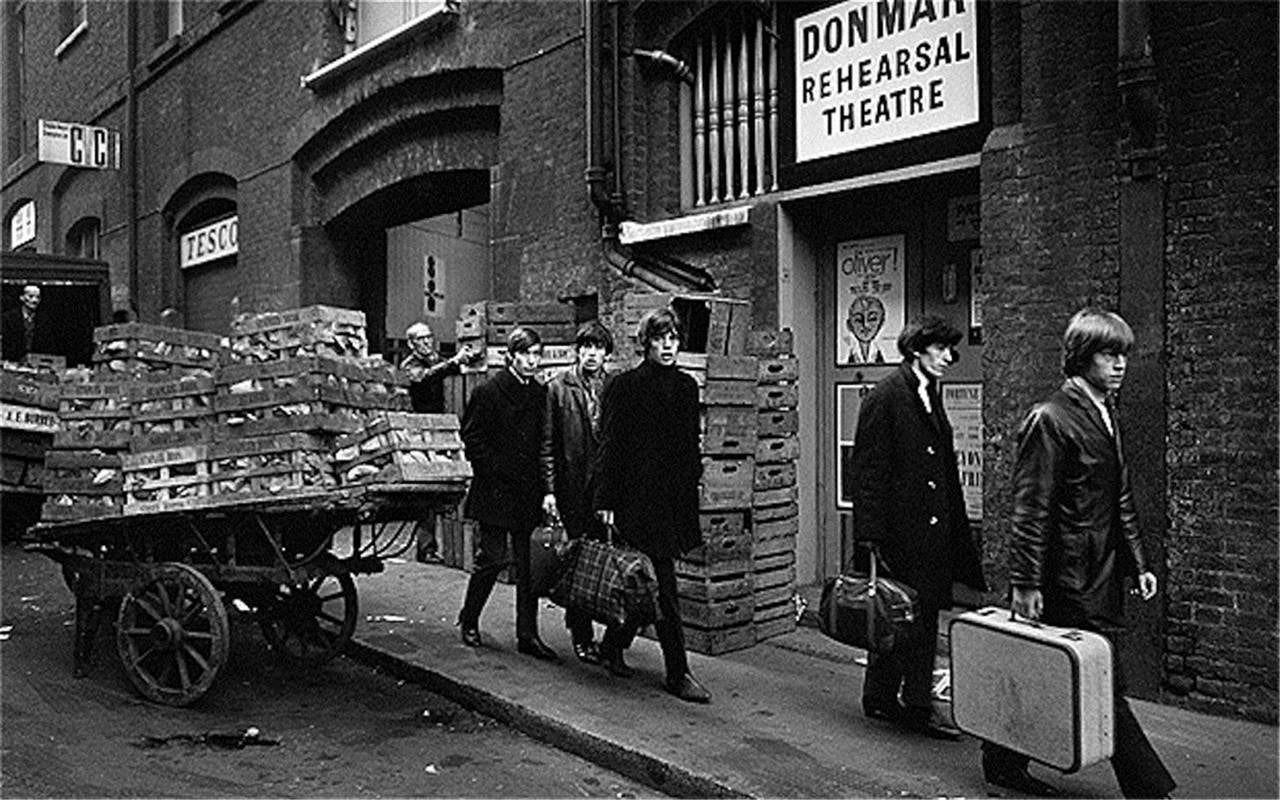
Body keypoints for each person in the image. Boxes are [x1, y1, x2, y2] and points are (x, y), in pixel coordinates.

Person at [979, 309, 1176, 799]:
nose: (1120, 365)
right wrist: (1025, 584)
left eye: (1123, 355)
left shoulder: (1106, 413)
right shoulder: (1051, 418)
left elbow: (1120, 497)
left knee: (1046, 668)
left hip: (1100, 571)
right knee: (1104, 683)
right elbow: (1030, 508)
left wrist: (1138, 563)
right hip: (1065, 576)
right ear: (1081, 357)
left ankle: (1000, 761)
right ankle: (1149, 788)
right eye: (1109, 354)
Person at [849, 314, 985, 739]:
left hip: (931, 533)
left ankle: (882, 696)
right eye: (940, 349)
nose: (948, 358)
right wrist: (869, 537)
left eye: (950, 350)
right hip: (900, 533)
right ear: (915, 350)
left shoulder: (929, 392)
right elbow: (867, 471)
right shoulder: (887, 396)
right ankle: (916, 706)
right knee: (907, 616)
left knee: (912, 616)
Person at [591, 307, 711, 703]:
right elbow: (610, 446)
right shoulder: (624, 387)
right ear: (645, 343)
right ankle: (678, 673)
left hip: (673, 501)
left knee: (644, 584)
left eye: (673, 339)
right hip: (636, 501)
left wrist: (693, 481)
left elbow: (690, 442)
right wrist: (605, 500)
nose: (668, 346)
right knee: (664, 588)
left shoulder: (687, 387)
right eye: (659, 339)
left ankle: (612, 645)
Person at [456, 327, 558, 660]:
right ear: (510, 356)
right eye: (526, 354)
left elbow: (544, 445)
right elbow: (472, 438)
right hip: (496, 491)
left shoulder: (539, 394)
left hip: (526, 492)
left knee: (528, 567)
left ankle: (527, 635)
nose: (532, 361)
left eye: (536, 355)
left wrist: (545, 489)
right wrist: (494, 471)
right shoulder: (489, 392)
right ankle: (469, 619)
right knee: (492, 558)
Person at [540, 320, 613, 665]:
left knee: (606, 560)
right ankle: (582, 636)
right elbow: (548, 445)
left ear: (606, 353)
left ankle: (609, 638)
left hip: (604, 491)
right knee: (579, 561)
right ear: (577, 351)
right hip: (572, 489)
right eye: (586, 348)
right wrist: (550, 490)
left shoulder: (613, 387)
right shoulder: (558, 388)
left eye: (598, 348)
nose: (592, 355)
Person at [400, 321, 474, 562]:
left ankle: (444, 545)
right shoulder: (409, 365)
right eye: (420, 339)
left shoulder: (435, 359)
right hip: (420, 432)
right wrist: (454, 362)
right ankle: (426, 548)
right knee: (427, 489)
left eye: (428, 338)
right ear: (411, 344)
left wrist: (466, 360)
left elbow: (450, 369)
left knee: (446, 483)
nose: (426, 343)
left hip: (443, 428)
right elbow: (425, 378)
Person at [2, 284, 53, 363]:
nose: (34, 300)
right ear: (22, 297)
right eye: (31, 296)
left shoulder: (44, 320)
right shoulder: (8, 318)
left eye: (38, 297)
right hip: (12, 362)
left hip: (35, 364)